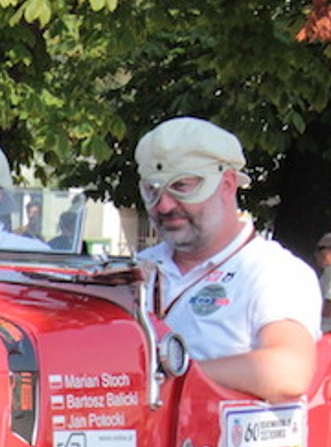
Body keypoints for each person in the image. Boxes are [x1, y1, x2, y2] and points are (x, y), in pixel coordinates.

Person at [133, 117, 321, 403]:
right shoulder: (134, 269)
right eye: (152, 191)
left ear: (228, 183)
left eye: (181, 187)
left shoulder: (272, 272)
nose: (164, 205)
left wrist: (173, 374)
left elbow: (289, 371)